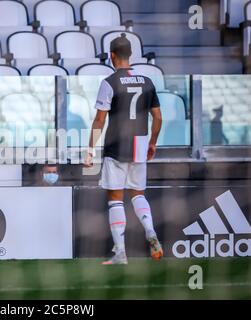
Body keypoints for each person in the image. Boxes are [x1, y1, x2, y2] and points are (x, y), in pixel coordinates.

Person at [84, 34, 163, 265]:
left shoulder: (108, 82)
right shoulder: (147, 82)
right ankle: (150, 231)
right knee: (138, 194)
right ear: (130, 55)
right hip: (139, 144)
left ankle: (120, 252)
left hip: (116, 146)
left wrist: (90, 149)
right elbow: (158, 117)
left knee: (115, 198)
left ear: (112, 56)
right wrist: (153, 142)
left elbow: (99, 120)